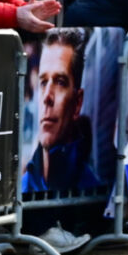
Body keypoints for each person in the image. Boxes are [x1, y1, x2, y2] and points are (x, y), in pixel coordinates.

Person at [21, 29, 105, 193]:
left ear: (77, 102)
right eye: (43, 82)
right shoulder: (22, 188)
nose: (47, 97)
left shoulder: (91, 190)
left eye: (60, 82)